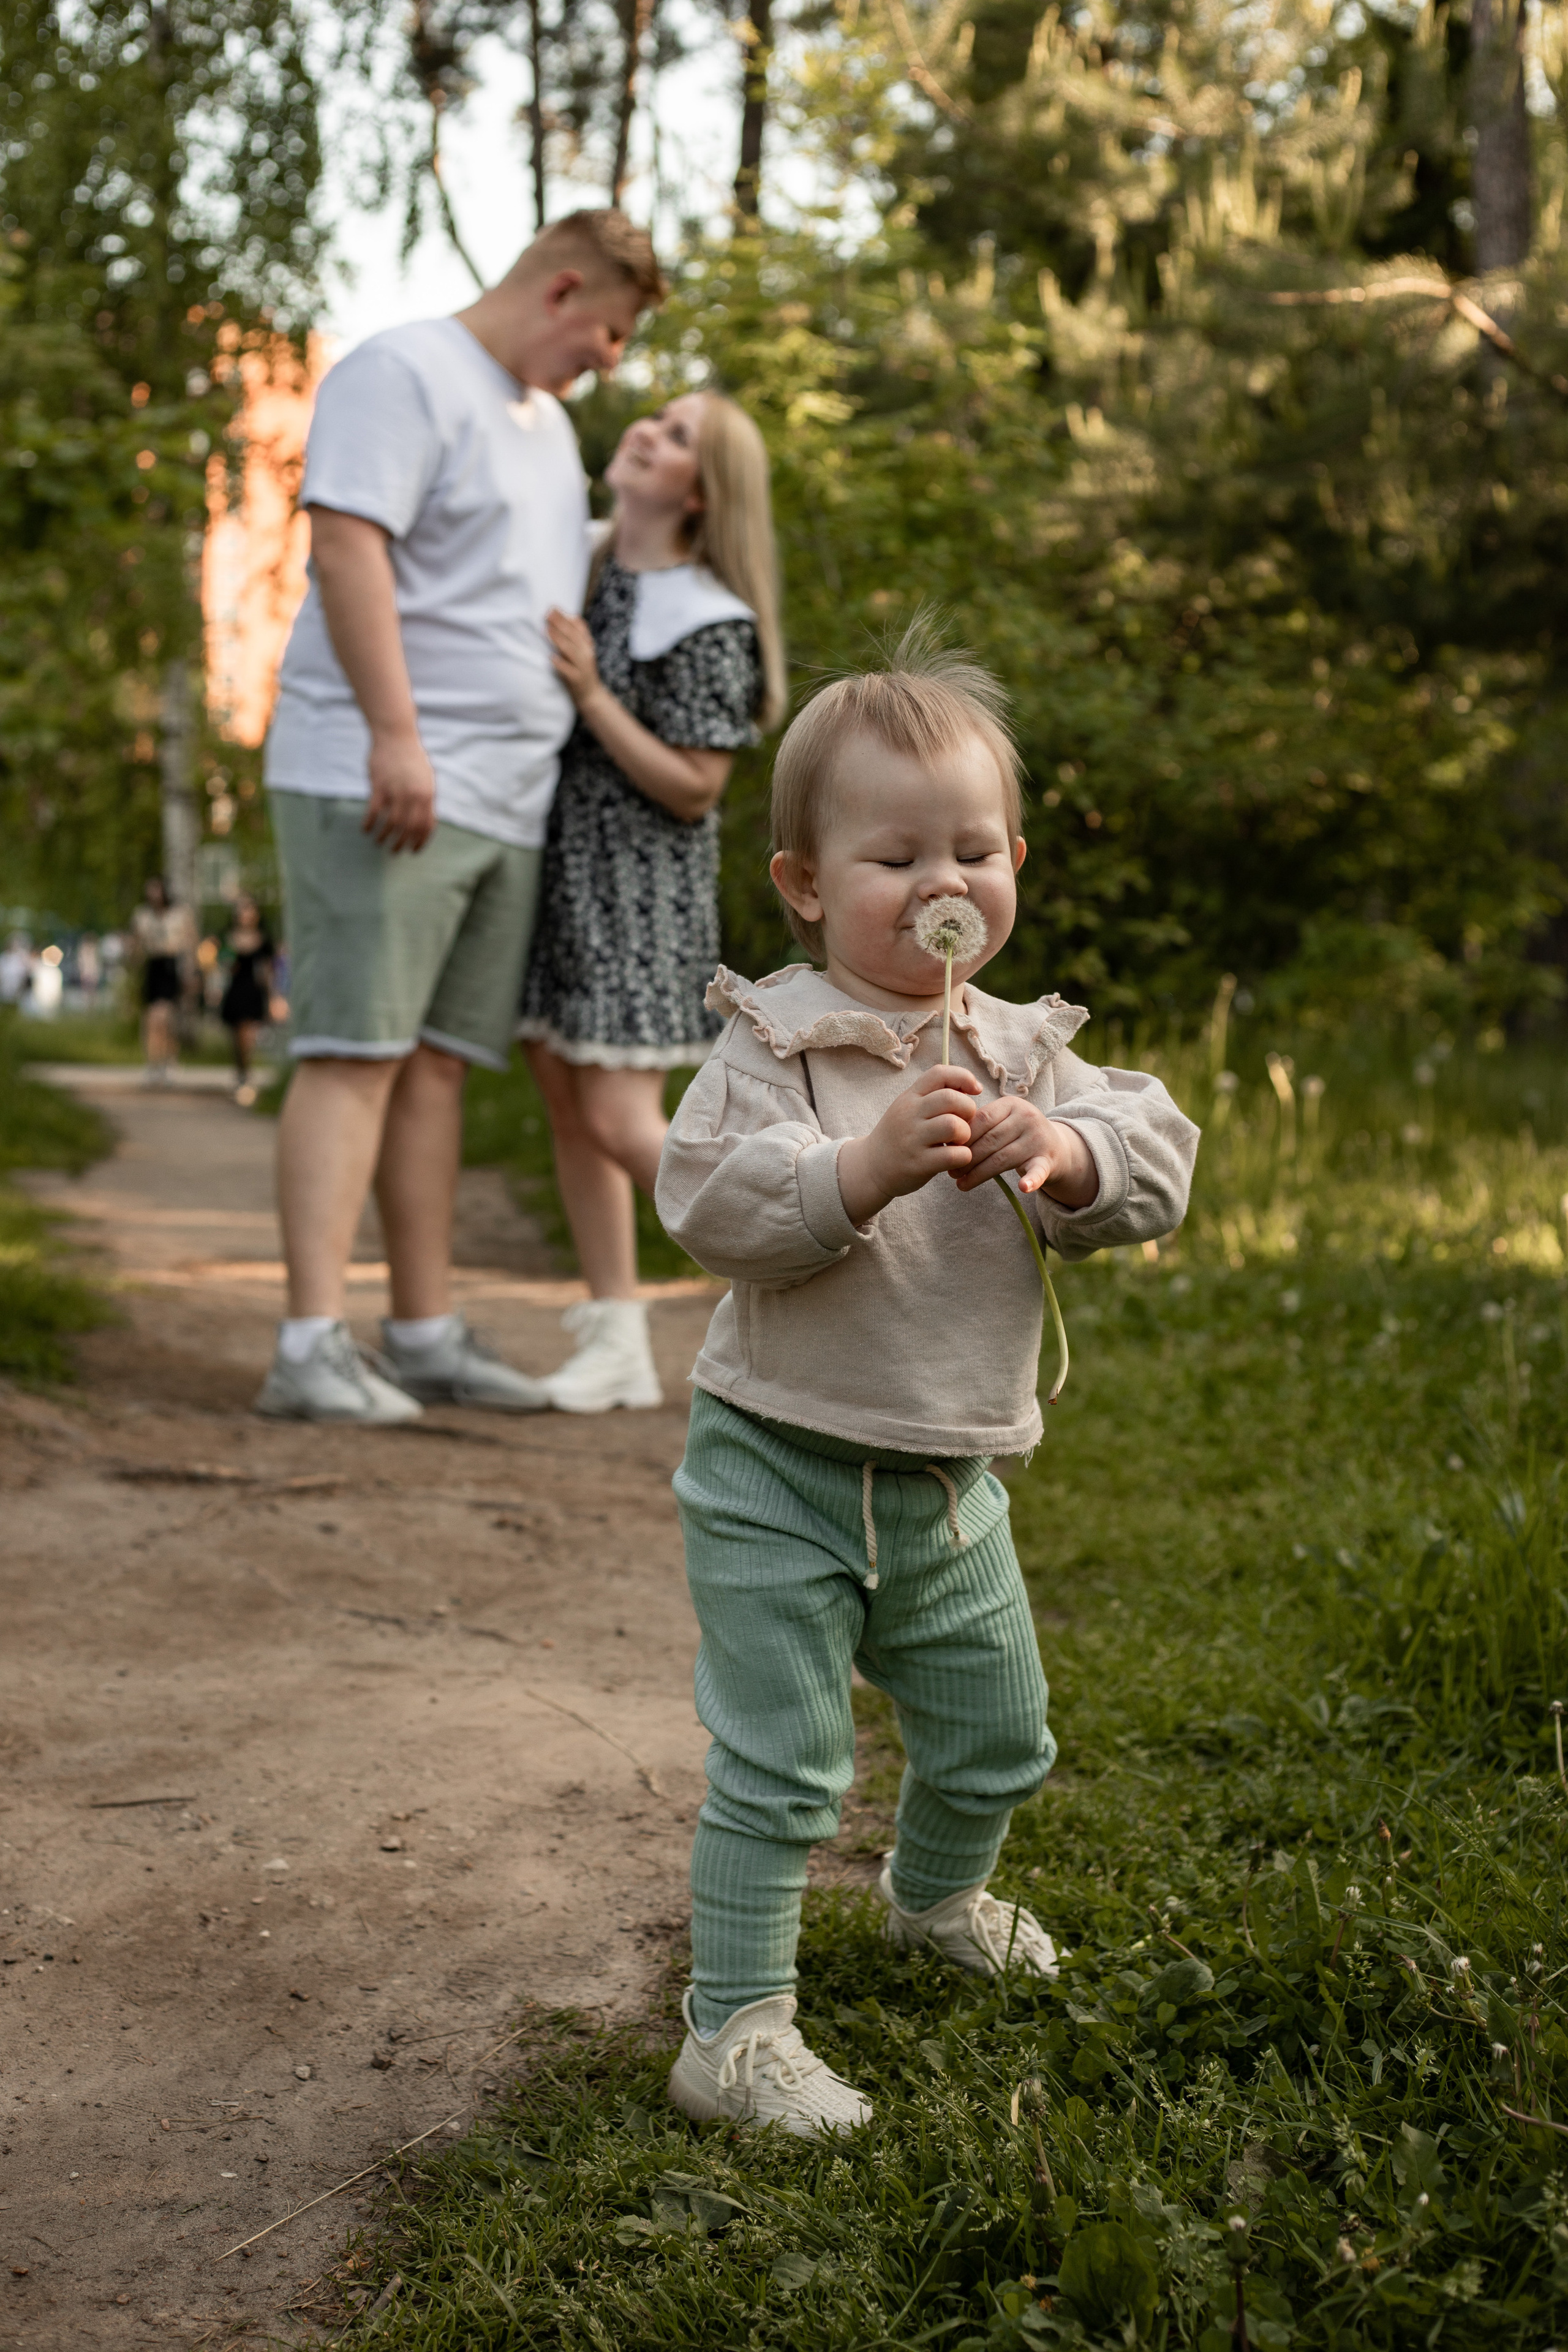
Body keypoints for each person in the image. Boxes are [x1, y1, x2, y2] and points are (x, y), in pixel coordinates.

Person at [653, 625, 1200, 2135]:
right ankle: (735, 2028)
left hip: (948, 1478)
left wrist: (1067, 1151)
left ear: (1014, 859)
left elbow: (1156, 1164)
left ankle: (932, 1895)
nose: (941, 884)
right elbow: (706, 1198)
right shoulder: (777, 1040)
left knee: (998, 1730)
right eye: (895, 857)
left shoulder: (1028, 1051)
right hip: (777, 1465)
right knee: (783, 1760)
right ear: (806, 884)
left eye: (972, 850)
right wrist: (856, 1164)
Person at [254, 209, 665, 1427]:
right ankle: (307, 1347)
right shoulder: (404, 370)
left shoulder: (546, 434)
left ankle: (423, 1336)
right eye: (608, 331)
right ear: (562, 286)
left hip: (505, 798)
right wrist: (395, 732)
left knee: (434, 1066)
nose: (608, 360)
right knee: (355, 1048)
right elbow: (346, 548)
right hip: (383, 778)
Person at [518, 392, 785, 1413]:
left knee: (618, 1113)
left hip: (638, 894)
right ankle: (618, 1336)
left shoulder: (707, 614)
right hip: (565, 878)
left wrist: (593, 696)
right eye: (657, 419)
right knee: (567, 1104)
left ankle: (789, 1254)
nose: (647, 432)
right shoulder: (584, 560)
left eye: (678, 437)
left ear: (702, 492)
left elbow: (695, 784)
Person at [130, 878, 195, 1083]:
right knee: (151, 1020)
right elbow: (137, 945)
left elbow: (190, 943)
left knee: (164, 1017)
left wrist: (191, 973)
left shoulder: (180, 915)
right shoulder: (142, 916)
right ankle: (154, 1063)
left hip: (171, 965)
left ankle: (169, 1061)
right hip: (153, 967)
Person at [219, 894, 274, 1106]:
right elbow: (222, 963)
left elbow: (268, 971)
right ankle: (241, 1074)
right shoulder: (228, 937)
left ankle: (246, 1076)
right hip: (235, 990)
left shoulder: (263, 939)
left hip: (254, 991)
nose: (245, 914)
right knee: (236, 1037)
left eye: (249, 910)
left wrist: (272, 997)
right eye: (241, 910)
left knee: (247, 1035)